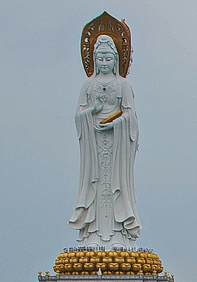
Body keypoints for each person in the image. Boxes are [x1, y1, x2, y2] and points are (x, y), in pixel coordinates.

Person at [69, 35, 141, 250]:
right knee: (96, 183)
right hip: (94, 145)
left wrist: (116, 124)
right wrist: (92, 112)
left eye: (108, 58)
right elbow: (78, 115)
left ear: (116, 60)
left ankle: (119, 234)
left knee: (116, 185)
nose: (104, 63)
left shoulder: (123, 85)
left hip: (117, 145)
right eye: (100, 58)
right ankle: (92, 235)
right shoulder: (88, 85)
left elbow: (131, 116)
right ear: (94, 60)